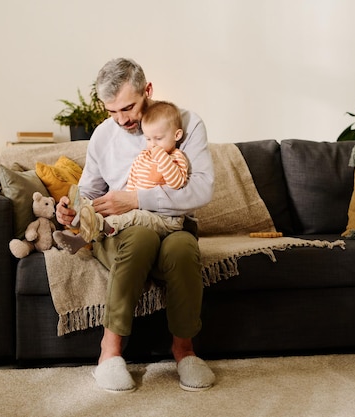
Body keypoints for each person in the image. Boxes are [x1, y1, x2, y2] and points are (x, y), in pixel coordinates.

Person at [55, 58, 215, 393]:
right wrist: (71, 209)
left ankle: (184, 351)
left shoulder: (184, 123)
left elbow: (201, 190)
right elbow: (88, 191)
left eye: (128, 107)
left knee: (184, 247)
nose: (121, 119)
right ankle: (109, 353)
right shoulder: (103, 134)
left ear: (148, 90)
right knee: (140, 239)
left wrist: (138, 199)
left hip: (172, 226)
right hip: (122, 233)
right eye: (111, 111)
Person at [53, 100, 190, 255]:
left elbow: (177, 182)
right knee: (119, 213)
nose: (152, 145)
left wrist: (162, 157)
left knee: (132, 217)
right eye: (148, 139)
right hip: (141, 211)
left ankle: (82, 238)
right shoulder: (143, 156)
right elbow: (132, 185)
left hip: (166, 218)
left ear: (176, 135)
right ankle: (80, 216)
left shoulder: (176, 157)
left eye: (158, 139)